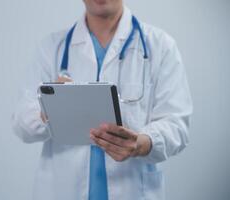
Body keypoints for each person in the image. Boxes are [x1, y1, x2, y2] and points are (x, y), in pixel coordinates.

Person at [12, 0, 193, 199]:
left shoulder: (160, 46)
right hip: (62, 190)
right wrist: (49, 109)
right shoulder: (51, 48)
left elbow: (177, 125)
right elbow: (21, 123)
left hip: (132, 189)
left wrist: (141, 143)